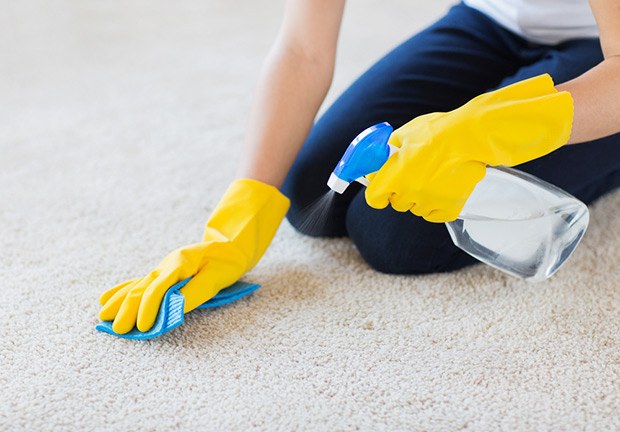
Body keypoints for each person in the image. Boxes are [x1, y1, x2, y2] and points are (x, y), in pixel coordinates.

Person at [98, 0, 620, 334]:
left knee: (397, 232)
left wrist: (481, 128)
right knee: (312, 195)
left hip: (606, 50)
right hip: (490, 17)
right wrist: (238, 215)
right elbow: (303, 49)